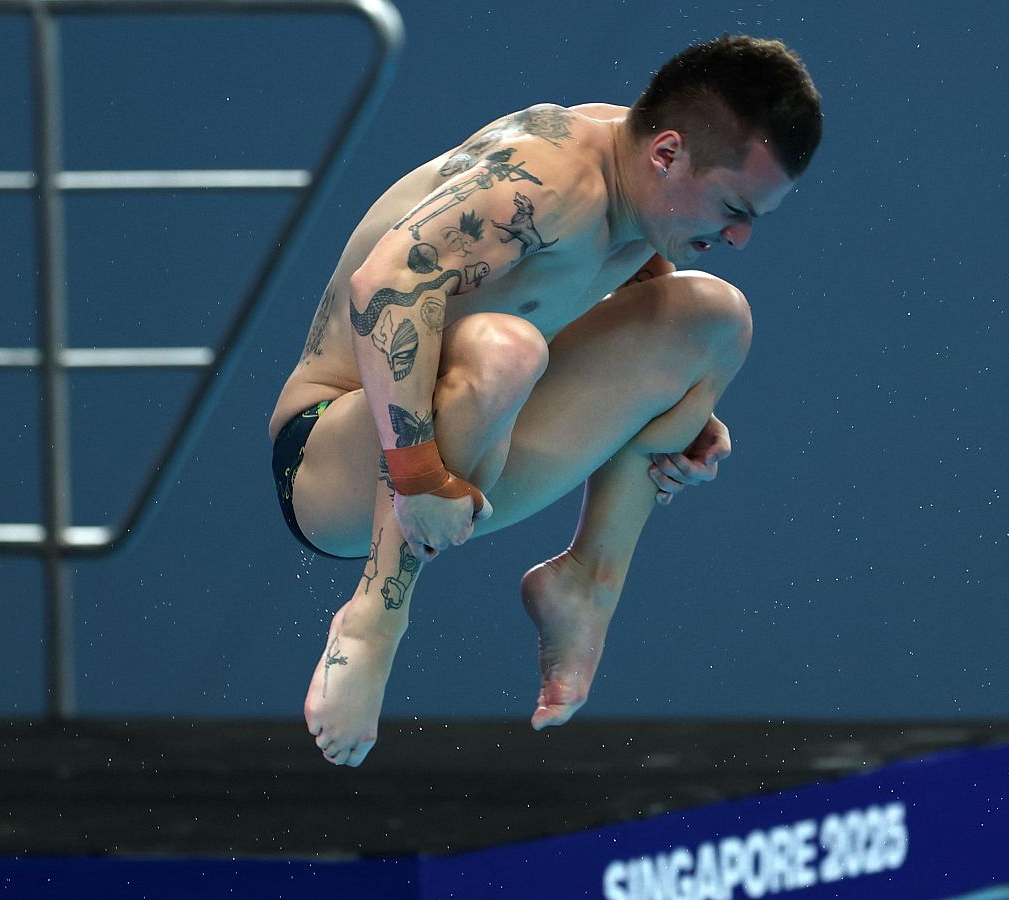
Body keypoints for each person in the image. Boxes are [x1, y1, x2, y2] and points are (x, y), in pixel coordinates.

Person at [267, 35, 822, 767]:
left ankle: (584, 586)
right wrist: (415, 474)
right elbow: (385, 288)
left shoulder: (638, 183)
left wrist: (675, 409)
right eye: (733, 206)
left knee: (717, 320)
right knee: (506, 349)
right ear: (668, 153)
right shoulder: (542, 177)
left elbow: (612, 290)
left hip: (478, 430)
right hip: (332, 457)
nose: (742, 235)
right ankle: (374, 619)